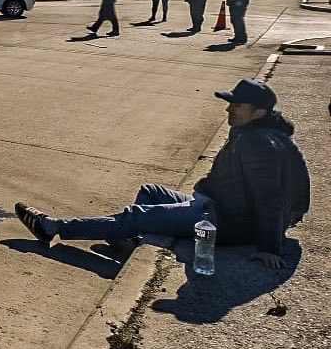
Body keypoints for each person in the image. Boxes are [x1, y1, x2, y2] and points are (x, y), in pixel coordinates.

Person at [15, 79, 309, 268]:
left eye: (236, 105)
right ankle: (126, 241)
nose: (229, 109)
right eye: (229, 102)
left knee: (137, 214)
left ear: (258, 112)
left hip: (225, 221)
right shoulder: (259, 132)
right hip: (219, 206)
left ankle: (53, 228)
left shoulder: (258, 143)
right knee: (150, 191)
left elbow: (270, 197)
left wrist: (270, 247)